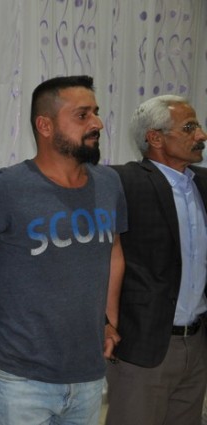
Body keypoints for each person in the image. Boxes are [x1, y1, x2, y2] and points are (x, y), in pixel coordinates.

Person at [0, 75, 127, 424]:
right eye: (82, 115)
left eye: (96, 113)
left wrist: (108, 321)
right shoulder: (8, 188)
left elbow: (113, 252)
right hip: (20, 380)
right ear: (45, 125)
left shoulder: (109, 183)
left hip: (87, 375)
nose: (97, 124)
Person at [105, 95, 207, 425]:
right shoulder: (122, 182)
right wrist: (104, 321)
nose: (201, 135)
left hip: (197, 345)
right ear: (155, 138)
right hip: (143, 348)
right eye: (189, 127)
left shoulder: (204, 184)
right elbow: (98, 257)